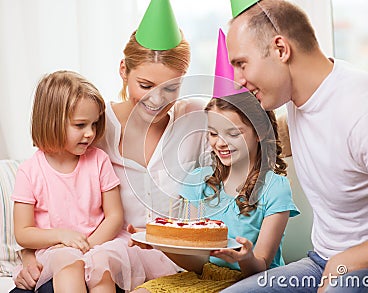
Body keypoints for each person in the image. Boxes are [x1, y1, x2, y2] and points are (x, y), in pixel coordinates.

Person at [11, 0, 209, 292]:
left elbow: (247, 145)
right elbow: (49, 186)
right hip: (97, 257)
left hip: (160, 262)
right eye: (145, 85)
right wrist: (31, 255)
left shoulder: (196, 118)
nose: (156, 101)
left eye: (171, 88)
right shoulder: (96, 124)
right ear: (123, 71)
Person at [223, 0, 368, 292]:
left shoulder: (365, 114)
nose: (238, 80)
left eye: (241, 64)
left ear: (281, 49)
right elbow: (271, 139)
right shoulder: (297, 99)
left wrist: (350, 260)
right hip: (323, 263)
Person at [133, 91, 299, 293]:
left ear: (259, 132)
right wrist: (162, 244)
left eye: (233, 133)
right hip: (204, 277)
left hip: (253, 282)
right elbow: (196, 263)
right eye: (213, 133)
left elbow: (261, 266)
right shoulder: (198, 180)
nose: (220, 143)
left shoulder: (275, 188)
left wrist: (245, 258)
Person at [11, 70, 148, 292]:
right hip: (57, 249)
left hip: (99, 244)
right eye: (80, 125)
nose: (90, 133)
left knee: (102, 268)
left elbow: (114, 216)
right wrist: (61, 236)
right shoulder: (30, 171)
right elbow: (23, 232)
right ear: (51, 121)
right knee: (69, 265)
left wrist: (90, 249)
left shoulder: (98, 160)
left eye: (94, 124)